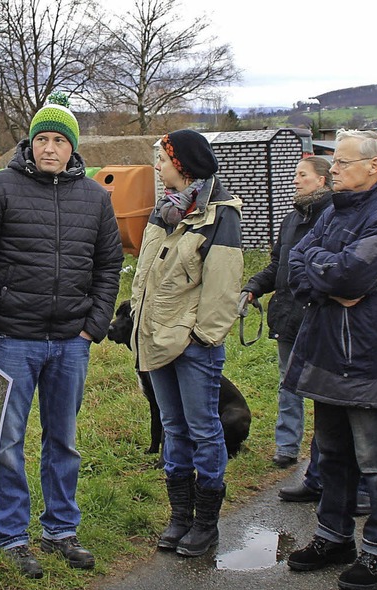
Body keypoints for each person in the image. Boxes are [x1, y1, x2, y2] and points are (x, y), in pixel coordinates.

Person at [0, 95, 123, 577]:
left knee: (63, 439)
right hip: (11, 338)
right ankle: (12, 535)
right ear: (29, 143)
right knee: (6, 442)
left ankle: (60, 530)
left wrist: (93, 325)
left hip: (71, 341)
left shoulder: (94, 197)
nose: (50, 148)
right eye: (42, 139)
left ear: (73, 147)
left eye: (60, 140)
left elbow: (109, 264)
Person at [284, 129, 377, 590]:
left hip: (364, 358)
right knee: (334, 454)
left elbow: (350, 274)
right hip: (325, 350)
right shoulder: (335, 211)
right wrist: (330, 276)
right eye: (333, 163)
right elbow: (296, 263)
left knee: (376, 462)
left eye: (341, 162)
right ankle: (333, 536)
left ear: (374, 167)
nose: (333, 169)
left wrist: (331, 276)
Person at [131, 129, 243, 558]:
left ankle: (205, 523)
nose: (158, 167)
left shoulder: (219, 214)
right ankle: (180, 516)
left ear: (182, 165)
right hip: (157, 340)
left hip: (193, 346)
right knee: (174, 428)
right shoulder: (165, 211)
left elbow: (222, 286)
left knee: (203, 429)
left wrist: (201, 338)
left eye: (162, 160)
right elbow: (146, 277)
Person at [241, 156, 333, 471]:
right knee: (287, 383)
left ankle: (325, 456)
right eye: (295, 174)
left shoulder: (335, 217)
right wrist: (252, 287)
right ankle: (287, 447)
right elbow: (277, 265)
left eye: (302, 175)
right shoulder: (290, 219)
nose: (295, 180)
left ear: (321, 180)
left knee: (324, 390)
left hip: (319, 317)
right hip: (287, 315)